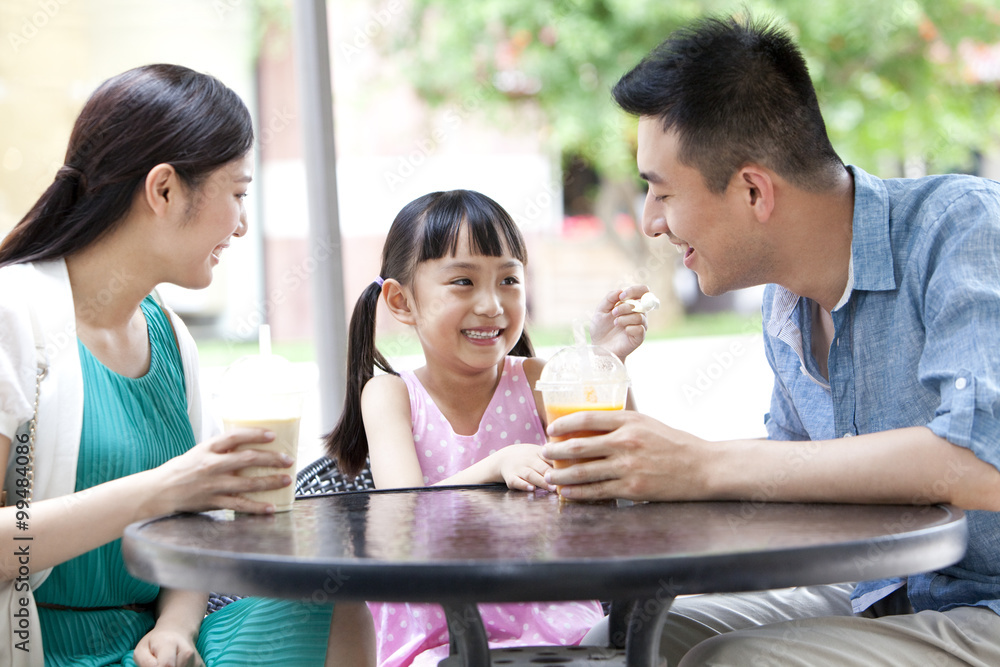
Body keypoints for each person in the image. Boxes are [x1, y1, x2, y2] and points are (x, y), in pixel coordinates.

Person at [541, 13, 1000, 667]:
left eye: (662, 191)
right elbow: (795, 471)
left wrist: (701, 465)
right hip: (884, 595)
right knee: (623, 637)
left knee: (733, 661)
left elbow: (983, 460)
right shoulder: (786, 303)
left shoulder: (962, 227)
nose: (649, 222)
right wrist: (648, 464)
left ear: (754, 189)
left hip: (988, 605)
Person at [0, 64, 354, 667]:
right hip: (40, 646)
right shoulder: (15, 314)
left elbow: (195, 525)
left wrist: (178, 626)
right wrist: (161, 488)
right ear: (164, 190)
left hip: (151, 650)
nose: (242, 224)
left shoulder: (168, 335)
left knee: (334, 598)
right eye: (237, 194)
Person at [324, 189, 650, 666]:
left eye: (509, 280)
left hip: (549, 618)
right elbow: (405, 515)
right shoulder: (391, 394)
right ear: (402, 300)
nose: (493, 304)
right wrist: (495, 465)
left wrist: (603, 363)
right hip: (436, 630)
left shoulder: (541, 380)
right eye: (462, 281)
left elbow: (627, 465)